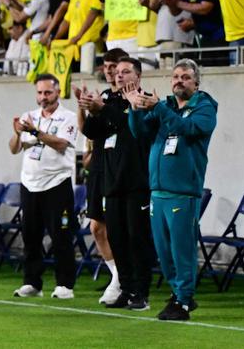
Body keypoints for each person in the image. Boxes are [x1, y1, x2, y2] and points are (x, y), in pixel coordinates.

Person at [128, 59, 217, 321]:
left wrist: (158, 108)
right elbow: (140, 132)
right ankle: (179, 293)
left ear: (196, 82)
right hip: (158, 192)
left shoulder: (204, 108)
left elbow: (186, 129)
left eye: (185, 77)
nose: (179, 80)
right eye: (175, 76)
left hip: (183, 192)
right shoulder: (165, 105)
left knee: (182, 250)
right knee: (164, 252)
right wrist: (134, 109)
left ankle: (184, 300)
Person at [77, 56, 154, 311]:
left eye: (126, 72)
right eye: (117, 72)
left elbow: (131, 127)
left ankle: (141, 293)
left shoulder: (145, 101)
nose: (119, 76)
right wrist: (88, 107)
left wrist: (103, 109)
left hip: (136, 182)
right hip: (112, 180)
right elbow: (91, 131)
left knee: (137, 239)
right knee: (118, 239)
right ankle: (127, 289)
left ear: (138, 76)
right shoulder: (111, 102)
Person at [9, 74, 79, 299]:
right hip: (30, 183)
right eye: (40, 93)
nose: (43, 97)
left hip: (57, 183)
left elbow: (61, 144)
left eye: (48, 92)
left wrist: (35, 132)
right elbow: (14, 149)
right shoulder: (30, 116)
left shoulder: (68, 117)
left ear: (58, 92)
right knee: (30, 236)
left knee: (61, 235)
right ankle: (32, 282)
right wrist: (17, 132)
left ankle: (65, 284)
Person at [78, 49, 127, 305]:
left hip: (118, 168)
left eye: (114, 67)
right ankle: (117, 275)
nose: (109, 71)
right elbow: (88, 131)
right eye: (106, 66)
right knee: (96, 227)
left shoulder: (129, 99)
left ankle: (122, 281)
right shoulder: (104, 96)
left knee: (116, 227)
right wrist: (83, 107)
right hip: (97, 165)